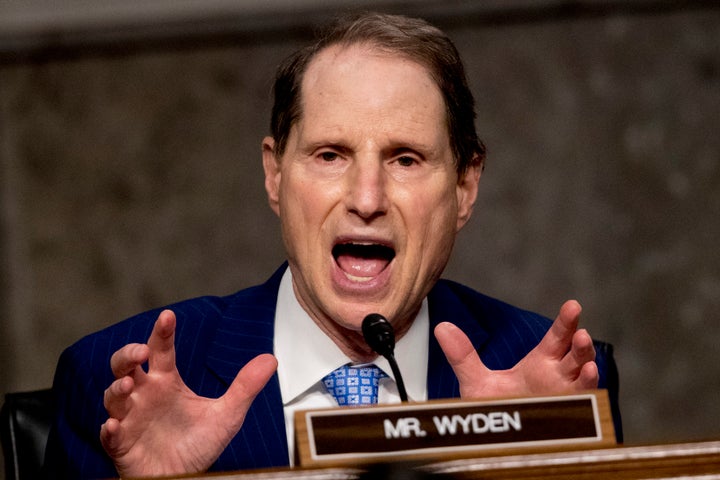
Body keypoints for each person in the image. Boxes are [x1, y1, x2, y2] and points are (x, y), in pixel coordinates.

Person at [43, 11, 621, 479]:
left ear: (465, 186)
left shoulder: (555, 377)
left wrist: (533, 465)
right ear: (275, 175)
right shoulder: (115, 384)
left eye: (405, 159)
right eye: (329, 156)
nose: (366, 198)